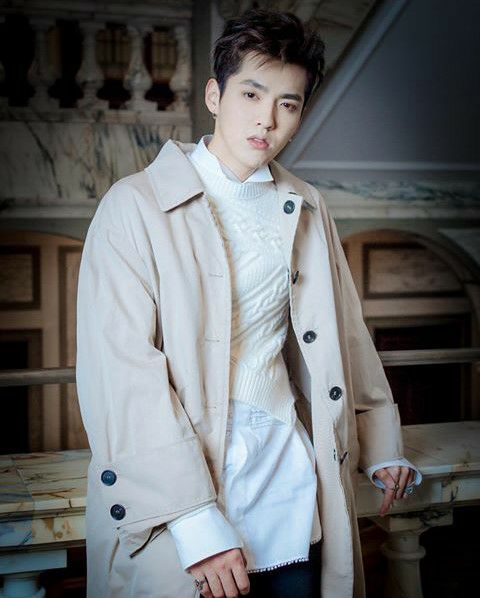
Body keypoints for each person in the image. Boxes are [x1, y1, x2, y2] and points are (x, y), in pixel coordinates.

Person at [75, 8, 421, 598]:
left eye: (288, 103)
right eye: (251, 94)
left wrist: (380, 444)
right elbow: (121, 371)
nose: (267, 119)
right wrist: (191, 517)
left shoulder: (306, 205)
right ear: (215, 95)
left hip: (288, 483)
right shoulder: (133, 206)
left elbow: (347, 334)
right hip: (189, 497)